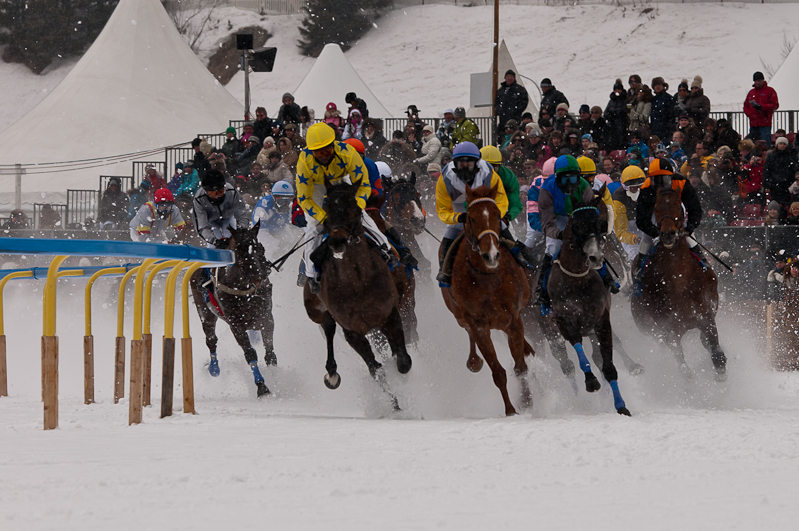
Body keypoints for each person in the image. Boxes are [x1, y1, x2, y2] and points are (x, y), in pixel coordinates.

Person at [296, 123, 410, 293]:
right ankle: (311, 275)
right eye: (318, 152)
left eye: (326, 150)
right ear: (311, 151)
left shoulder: (348, 153)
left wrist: (355, 207)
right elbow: (304, 199)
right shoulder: (304, 161)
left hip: (341, 179)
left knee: (362, 216)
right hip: (316, 186)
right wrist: (322, 217)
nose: (323, 156)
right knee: (314, 227)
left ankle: (386, 250)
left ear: (333, 145)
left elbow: (364, 185)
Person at [534, 155, 604, 310]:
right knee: (552, 248)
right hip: (557, 219)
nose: (569, 185)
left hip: (579, 217)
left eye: (573, 179)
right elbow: (547, 222)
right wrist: (559, 234)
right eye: (565, 180)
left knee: (592, 246)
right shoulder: (546, 189)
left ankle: (607, 278)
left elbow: (591, 213)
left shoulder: (585, 187)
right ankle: (542, 291)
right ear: (557, 178)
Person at [435, 141, 509, 286]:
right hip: (458, 206)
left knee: (503, 228)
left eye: (469, 164)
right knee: (451, 232)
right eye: (461, 164)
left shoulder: (488, 173)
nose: (465, 168)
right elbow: (443, 209)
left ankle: (520, 255)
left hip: (483, 206)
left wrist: (494, 216)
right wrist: (458, 217)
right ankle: (445, 269)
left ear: (477, 163)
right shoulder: (445, 178)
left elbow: (501, 198)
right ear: (454, 163)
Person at [633, 157, 704, 295]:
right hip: (655, 220)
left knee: (690, 239)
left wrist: (690, 227)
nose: (659, 184)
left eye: (663, 180)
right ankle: (638, 273)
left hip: (676, 218)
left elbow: (695, 209)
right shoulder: (647, 187)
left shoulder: (682, 182)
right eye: (656, 180)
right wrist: (655, 232)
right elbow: (642, 219)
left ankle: (704, 264)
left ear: (671, 177)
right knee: (646, 240)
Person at [480, 145, 535, 266]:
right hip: (476, 216)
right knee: (451, 235)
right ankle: (445, 269)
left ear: (500, 165)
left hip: (499, 216)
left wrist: (508, 216)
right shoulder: (471, 177)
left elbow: (516, 204)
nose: (490, 172)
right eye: (486, 167)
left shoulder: (508, 177)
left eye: (494, 167)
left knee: (512, 242)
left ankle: (524, 264)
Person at [192, 169, 250, 247]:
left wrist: (240, 231)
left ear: (224, 189)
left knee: (230, 238)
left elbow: (242, 215)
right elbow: (202, 227)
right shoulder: (199, 199)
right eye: (212, 194)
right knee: (213, 244)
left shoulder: (231, 192)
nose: (216, 196)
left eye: (220, 192)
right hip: (210, 221)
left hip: (228, 217)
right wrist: (215, 241)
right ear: (205, 192)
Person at [612, 166, 646, 261]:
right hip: (628, 229)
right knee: (636, 256)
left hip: (646, 225)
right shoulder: (618, 199)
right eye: (633, 188)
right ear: (625, 187)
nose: (637, 190)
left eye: (639, 186)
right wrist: (635, 240)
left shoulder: (649, 191)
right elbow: (621, 231)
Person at [743, 71, 779, 146]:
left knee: (764, 144)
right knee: (753, 145)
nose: (757, 82)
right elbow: (746, 105)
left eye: (759, 80)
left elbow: (775, 105)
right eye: (756, 81)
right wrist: (749, 114)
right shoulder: (751, 92)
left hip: (764, 124)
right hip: (753, 123)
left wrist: (762, 107)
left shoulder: (770, 91)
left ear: (763, 80)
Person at [763, 136, 798, 207]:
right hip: (775, 185)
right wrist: (768, 183)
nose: (782, 145)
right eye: (780, 144)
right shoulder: (771, 157)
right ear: (777, 145)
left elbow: (793, 170)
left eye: (784, 144)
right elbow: (766, 171)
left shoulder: (790, 157)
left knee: (786, 204)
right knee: (775, 204)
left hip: (786, 185)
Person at [494, 69, 529, 135]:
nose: (509, 78)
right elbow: (496, 102)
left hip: (515, 119)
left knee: (515, 137)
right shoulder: (500, 91)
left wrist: (515, 111)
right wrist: (499, 110)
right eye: (508, 76)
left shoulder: (519, 89)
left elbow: (524, 102)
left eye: (511, 76)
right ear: (505, 78)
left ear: (514, 78)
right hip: (503, 121)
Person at [604, 79, 629, 151]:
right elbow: (605, 113)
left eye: (619, 89)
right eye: (616, 90)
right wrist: (611, 116)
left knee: (621, 143)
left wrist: (617, 114)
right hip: (612, 126)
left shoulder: (625, 100)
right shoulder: (611, 101)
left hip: (622, 125)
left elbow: (625, 111)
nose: (617, 91)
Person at [650, 76, 674, 141]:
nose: (657, 86)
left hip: (666, 129)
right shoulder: (654, 99)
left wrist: (669, 128)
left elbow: (671, 115)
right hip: (655, 129)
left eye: (659, 84)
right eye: (655, 85)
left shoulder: (669, 98)